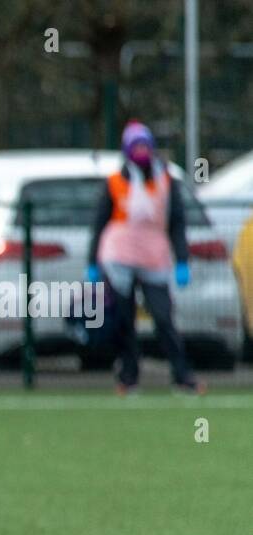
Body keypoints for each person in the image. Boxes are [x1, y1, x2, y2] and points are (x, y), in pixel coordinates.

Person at [87, 120, 205, 395]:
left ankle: (182, 376)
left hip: (154, 255)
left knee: (163, 317)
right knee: (124, 320)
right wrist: (92, 263)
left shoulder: (166, 180)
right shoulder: (115, 182)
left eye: (145, 146)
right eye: (135, 146)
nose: (141, 152)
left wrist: (182, 260)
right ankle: (128, 378)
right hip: (119, 256)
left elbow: (176, 223)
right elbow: (99, 223)